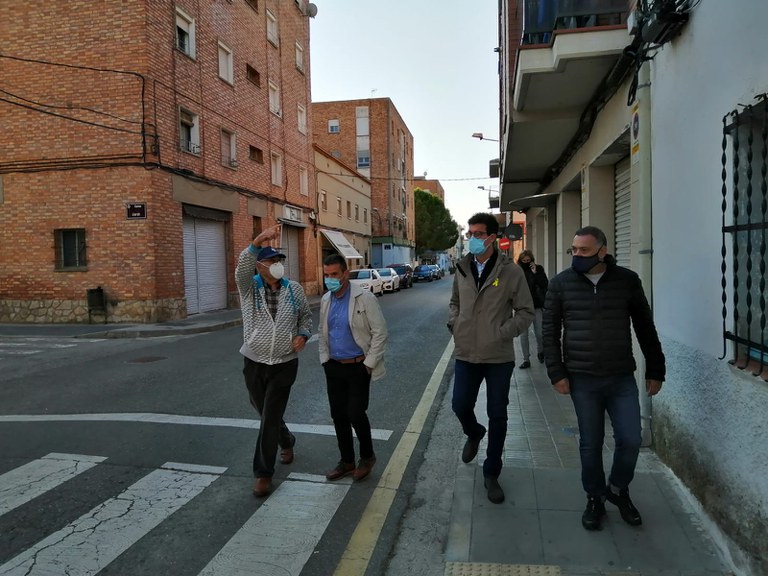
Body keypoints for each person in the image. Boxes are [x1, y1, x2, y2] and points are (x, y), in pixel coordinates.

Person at [542, 226, 665, 531]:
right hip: (582, 379)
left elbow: (645, 327)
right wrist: (557, 372)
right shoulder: (560, 284)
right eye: (574, 250)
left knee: (631, 439)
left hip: (620, 376)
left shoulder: (627, 281)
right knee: (591, 443)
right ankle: (595, 497)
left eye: (584, 250)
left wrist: (655, 369)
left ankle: (618, 489)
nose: (577, 255)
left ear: (602, 251)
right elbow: (549, 333)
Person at [447, 213, 535, 504]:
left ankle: (492, 472)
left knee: (498, 414)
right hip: (466, 353)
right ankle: (474, 432)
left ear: (493, 238)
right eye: (470, 233)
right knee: (460, 405)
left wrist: (502, 332)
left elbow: (526, 311)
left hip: (498, 356)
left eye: (479, 233)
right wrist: (455, 324)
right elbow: (455, 302)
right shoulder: (462, 268)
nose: (472, 238)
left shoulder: (511, 272)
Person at [235, 225, 312, 498]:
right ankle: (286, 439)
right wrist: (257, 242)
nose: (277, 264)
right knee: (263, 410)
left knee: (269, 416)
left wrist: (303, 335)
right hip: (254, 361)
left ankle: (263, 473)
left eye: (279, 260)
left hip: (284, 363)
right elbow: (241, 268)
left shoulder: (295, 290)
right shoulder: (249, 288)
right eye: (271, 260)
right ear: (259, 266)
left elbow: (306, 318)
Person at [319, 253, 388, 482]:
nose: (330, 279)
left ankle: (367, 457)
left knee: (355, 413)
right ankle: (347, 461)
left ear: (345, 273)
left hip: (358, 366)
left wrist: (369, 364)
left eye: (334, 274)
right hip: (334, 366)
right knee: (338, 416)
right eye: (326, 275)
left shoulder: (364, 298)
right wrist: (325, 359)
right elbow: (323, 332)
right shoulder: (326, 299)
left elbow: (380, 332)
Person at [517, 250, 549, 369]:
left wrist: (535, 273)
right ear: (520, 261)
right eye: (524, 260)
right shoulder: (517, 271)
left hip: (536, 305)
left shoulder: (538, 269)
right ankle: (526, 359)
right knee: (523, 335)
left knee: (540, 332)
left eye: (528, 260)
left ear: (532, 260)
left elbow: (544, 284)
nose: (526, 262)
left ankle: (541, 351)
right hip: (522, 307)